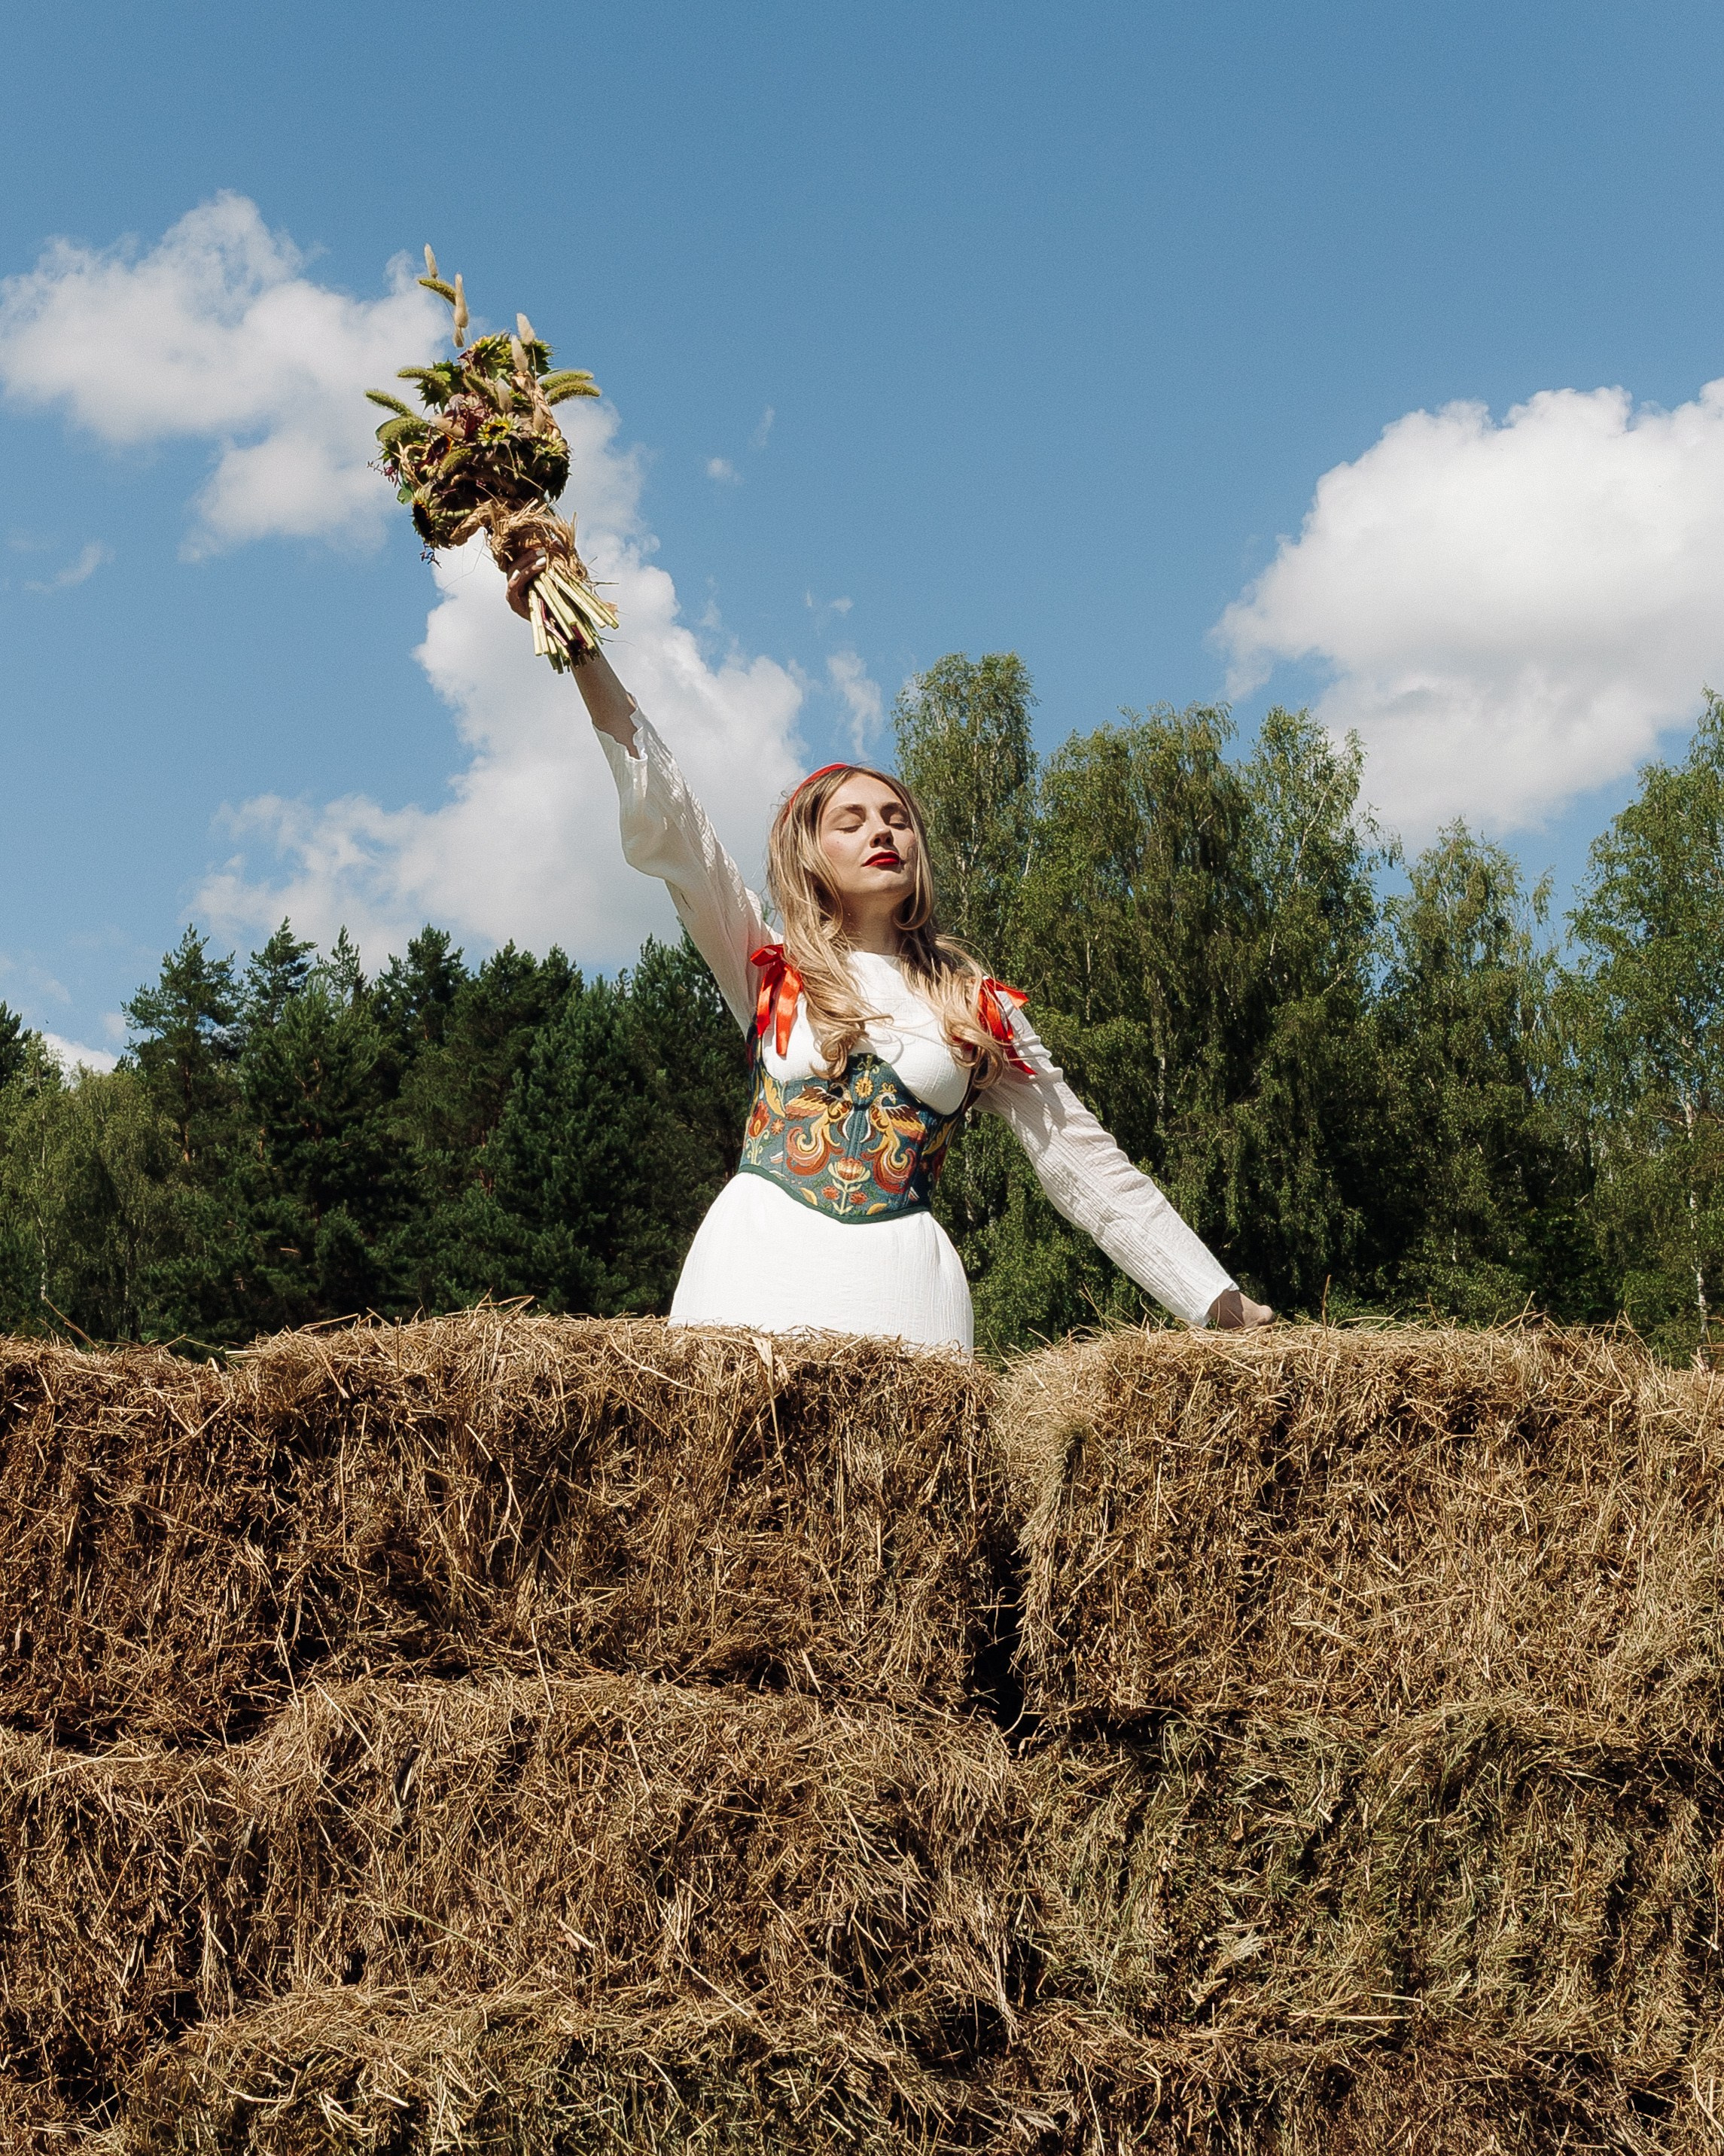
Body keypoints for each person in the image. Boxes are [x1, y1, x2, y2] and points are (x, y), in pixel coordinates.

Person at [548, 637, 1273, 1352]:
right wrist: (582, 651)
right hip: (750, 1267)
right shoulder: (765, 963)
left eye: (898, 819)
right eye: (853, 820)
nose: (883, 832)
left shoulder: (975, 1007)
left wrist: (1213, 1296)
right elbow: (675, 823)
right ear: (810, 850)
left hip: (903, 1289)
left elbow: (1080, 1158)